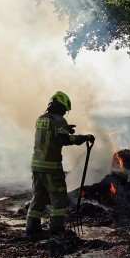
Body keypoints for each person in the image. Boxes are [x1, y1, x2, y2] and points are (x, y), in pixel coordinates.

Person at [26, 91, 95, 237]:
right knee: (59, 199)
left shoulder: (40, 119)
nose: (64, 113)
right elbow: (65, 140)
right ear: (59, 107)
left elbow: (51, 134)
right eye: (64, 110)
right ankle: (57, 230)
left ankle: (32, 228)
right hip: (51, 168)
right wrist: (83, 138)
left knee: (38, 197)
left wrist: (66, 129)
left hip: (36, 166)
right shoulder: (59, 120)